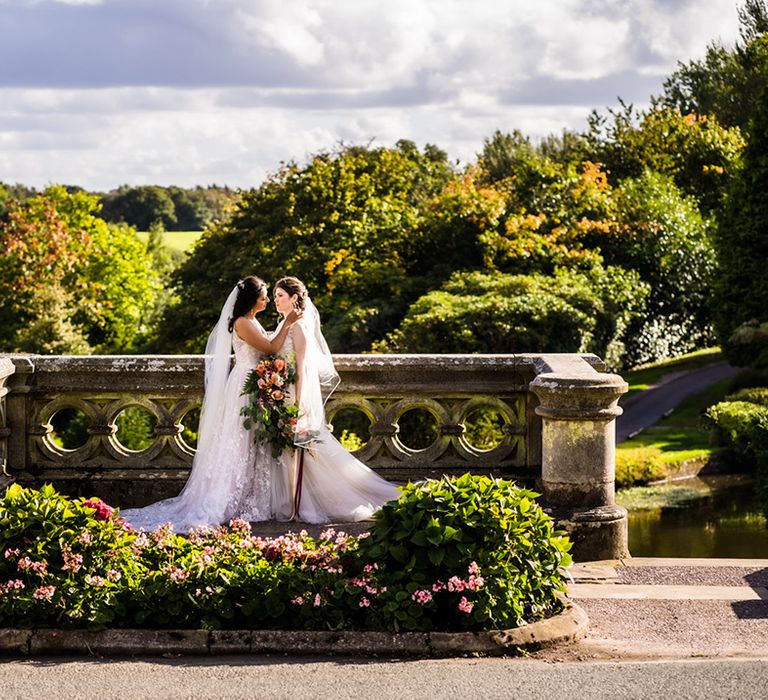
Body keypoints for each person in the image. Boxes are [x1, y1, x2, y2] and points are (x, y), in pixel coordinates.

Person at [121, 276, 302, 532]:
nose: (267, 299)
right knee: (239, 442)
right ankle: (227, 498)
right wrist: (288, 323)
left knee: (251, 443)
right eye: (263, 295)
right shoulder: (242, 322)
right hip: (244, 386)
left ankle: (252, 495)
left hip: (254, 382)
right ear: (252, 299)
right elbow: (271, 348)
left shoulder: (252, 320)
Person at [268, 276, 400, 523]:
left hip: (292, 397)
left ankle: (302, 502)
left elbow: (302, 368)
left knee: (303, 451)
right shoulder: (284, 324)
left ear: (295, 298)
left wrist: (297, 404)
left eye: (281, 296)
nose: (276, 300)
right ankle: (290, 500)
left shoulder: (299, 327)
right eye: (274, 296)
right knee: (286, 452)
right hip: (278, 394)